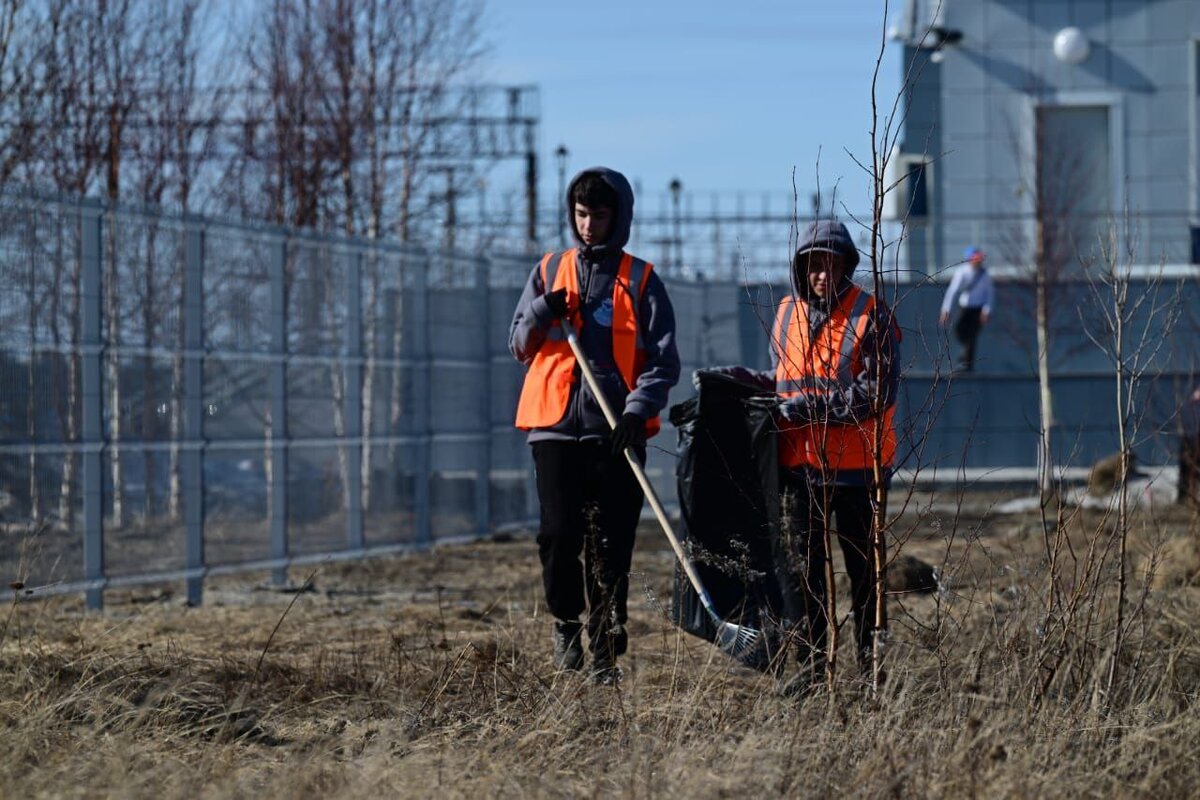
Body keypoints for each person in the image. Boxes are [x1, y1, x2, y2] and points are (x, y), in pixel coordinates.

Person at [694, 219, 901, 694]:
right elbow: (785, 379)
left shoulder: (873, 316)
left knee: (863, 575)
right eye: (813, 266)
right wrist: (736, 380)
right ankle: (811, 671)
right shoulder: (787, 312)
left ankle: (871, 672)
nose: (822, 275)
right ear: (801, 269)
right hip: (799, 467)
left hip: (858, 471)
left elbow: (874, 395)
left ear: (847, 265)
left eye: (831, 264)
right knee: (803, 576)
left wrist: (809, 407)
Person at [509, 167, 680, 684]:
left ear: (618, 217)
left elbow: (663, 362)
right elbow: (518, 343)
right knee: (559, 535)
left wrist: (636, 409)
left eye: (598, 216)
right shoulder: (548, 270)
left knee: (610, 540)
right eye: (581, 215)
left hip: (616, 431)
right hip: (555, 426)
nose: (588, 226)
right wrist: (541, 311)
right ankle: (566, 622)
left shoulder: (640, 279)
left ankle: (606, 640)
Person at [939, 246, 995, 372]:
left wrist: (986, 311)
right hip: (964, 308)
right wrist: (946, 310)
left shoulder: (985, 274)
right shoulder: (962, 272)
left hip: (978, 310)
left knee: (972, 336)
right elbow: (952, 291)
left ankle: (967, 365)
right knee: (959, 331)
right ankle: (965, 355)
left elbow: (990, 294)